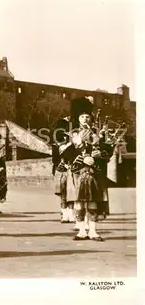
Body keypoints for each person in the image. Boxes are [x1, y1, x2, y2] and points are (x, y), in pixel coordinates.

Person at [67, 97, 112, 241]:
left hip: (95, 170)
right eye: (82, 116)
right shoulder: (72, 133)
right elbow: (65, 152)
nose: (85, 119)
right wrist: (82, 158)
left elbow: (108, 148)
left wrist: (101, 154)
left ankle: (92, 231)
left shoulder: (98, 132)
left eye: (87, 116)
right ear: (78, 118)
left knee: (93, 201)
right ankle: (81, 230)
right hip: (78, 170)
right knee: (79, 201)